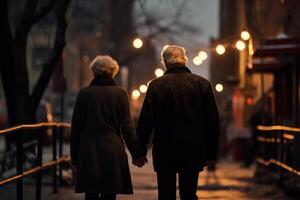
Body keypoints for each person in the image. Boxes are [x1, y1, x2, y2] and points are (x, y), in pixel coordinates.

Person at [137, 45, 220, 200]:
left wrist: (139, 152)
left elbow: (145, 121)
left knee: (166, 194)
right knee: (188, 193)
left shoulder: (156, 86)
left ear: (165, 63)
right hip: (192, 149)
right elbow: (212, 121)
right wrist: (211, 153)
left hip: (164, 149)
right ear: (184, 60)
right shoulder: (202, 84)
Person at [70, 55, 147, 200]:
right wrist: (137, 155)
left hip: (89, 149)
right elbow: (127, 127)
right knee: (110, 192)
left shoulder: (84, 94)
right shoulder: (120, 94)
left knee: (90, 192)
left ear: (94, 72)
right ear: (113, 72)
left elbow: (76, 129)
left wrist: (74, 159)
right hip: (113, 149)